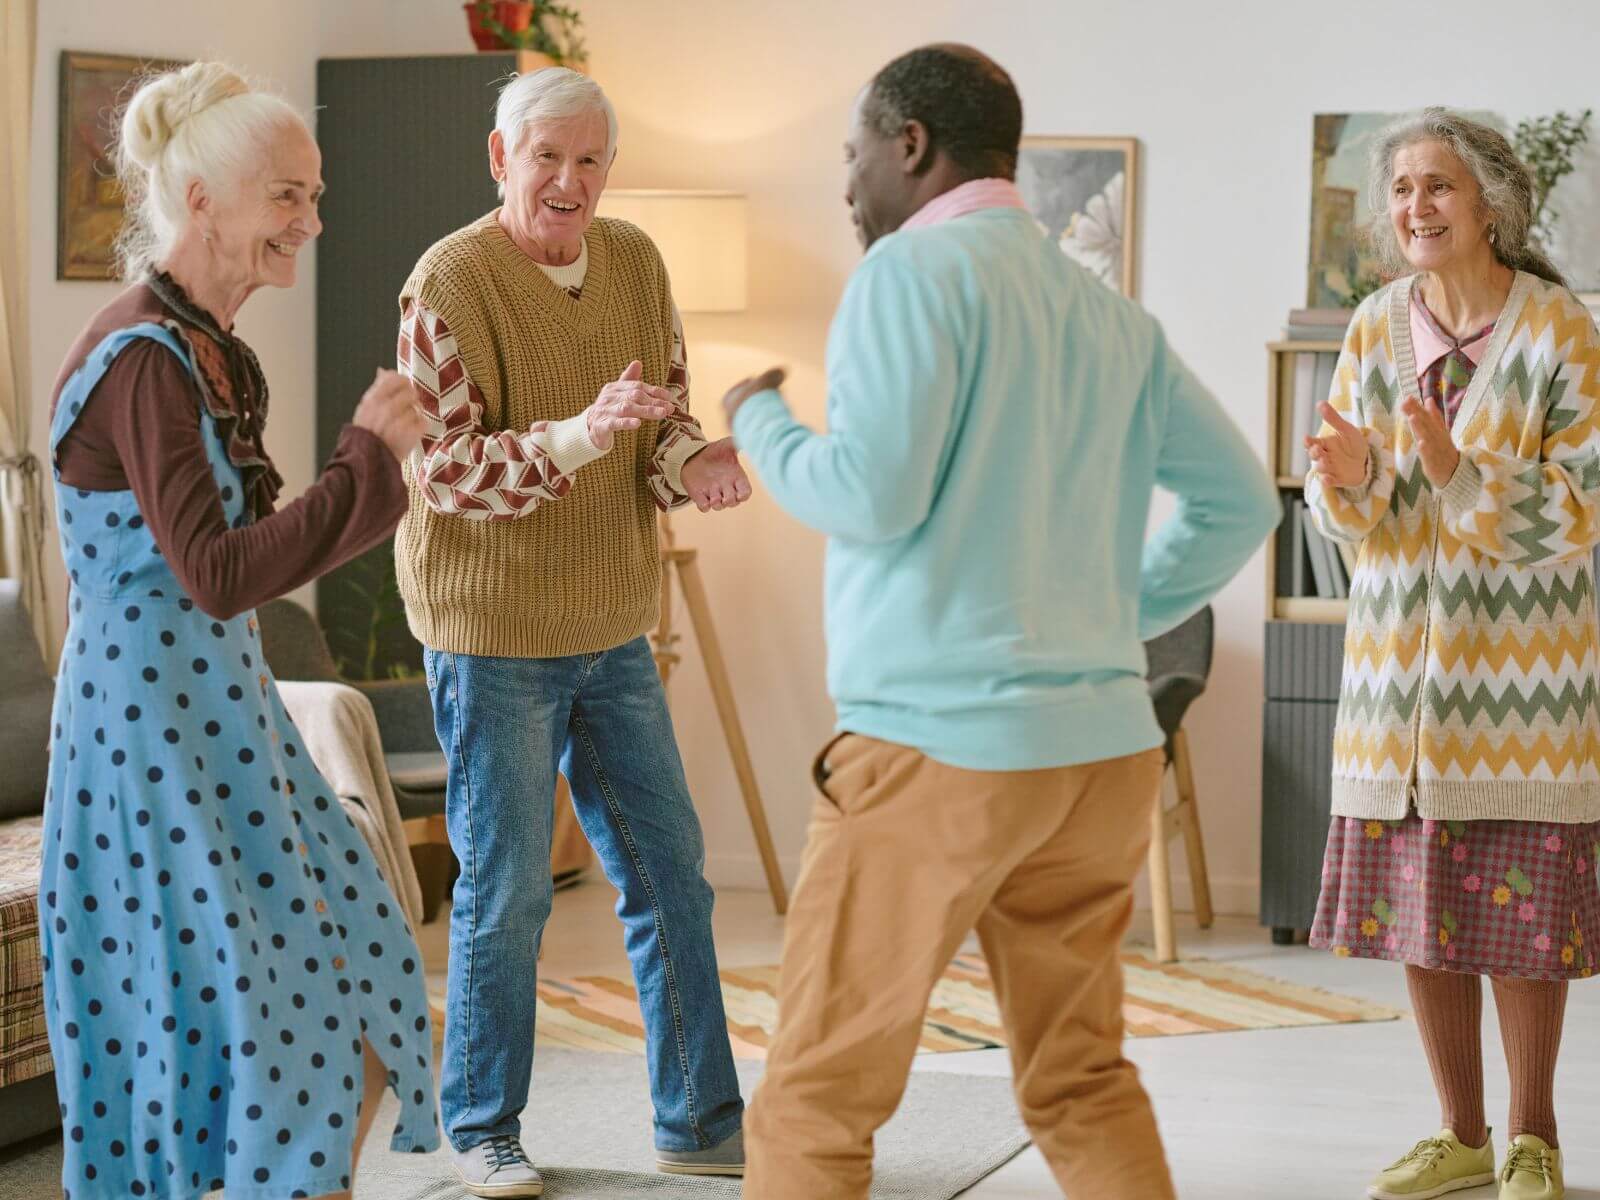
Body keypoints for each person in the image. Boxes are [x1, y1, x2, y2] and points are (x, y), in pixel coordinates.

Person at [721, 43, 1279, 1200]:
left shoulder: (908, 277)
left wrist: (759, 417)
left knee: (816, 1095)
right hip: (1097, 757)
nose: (846, 186)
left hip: (938, 754)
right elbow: (1235, 501)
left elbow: (868, 493)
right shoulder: (1106, 313)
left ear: (910, 144)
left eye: (852, 154)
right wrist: (1101, 620)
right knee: (1078, 1082)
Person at [41, 62, 438, 1200]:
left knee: (358, 965)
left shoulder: (207, 350)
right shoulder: (144, 361)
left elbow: (256, 561)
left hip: (225, 708)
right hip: (148, 729)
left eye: (314, 196)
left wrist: (376, 466)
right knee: (243, 1012)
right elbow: (217, 576)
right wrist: (365, 458)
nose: (311, 222)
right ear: (201, 197)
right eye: (286, 196)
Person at [394, 67, 747, 1196]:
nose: (569, 180)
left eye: (589, 160)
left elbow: (659, 418)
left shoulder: (637, 261)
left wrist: (694, 460)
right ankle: (481, 1127)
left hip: (608, 622)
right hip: (491, 631)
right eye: (546, 156)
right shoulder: (449, 281)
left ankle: (698, 1122)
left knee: (670, 876)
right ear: (501, 160)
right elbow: (445, 472)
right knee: (508, 890)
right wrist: (586, 436)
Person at [1305, 108, 1600, 1200]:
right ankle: (1459, 1135)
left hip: (1521, 678)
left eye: (1436, 187)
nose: (1414, 207)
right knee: (1421, 910)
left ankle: (1533, 1137)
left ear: (1488, 206)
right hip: (1393, 673)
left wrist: (1455, 470)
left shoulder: (1560, 328)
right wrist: (1345, 483)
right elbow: (1360, 522)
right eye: (1400, 190)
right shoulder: (1375, 324)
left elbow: (1584, 504)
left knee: (1523, 922)